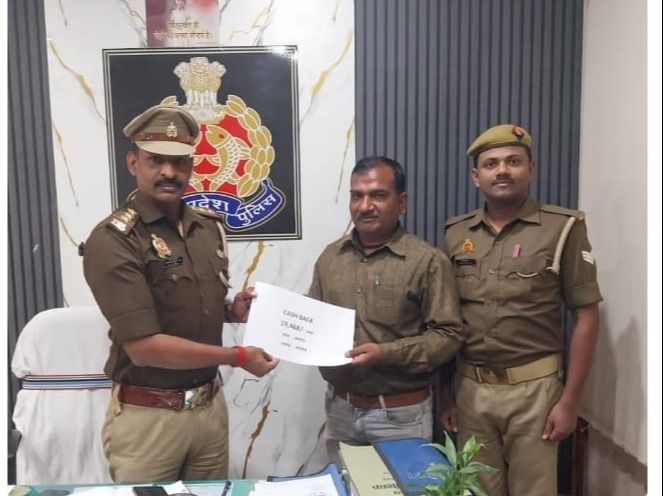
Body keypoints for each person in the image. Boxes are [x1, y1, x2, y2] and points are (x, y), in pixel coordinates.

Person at [82, 104, 278, 482]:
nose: (169, 172)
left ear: (191, 165)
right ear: (133, 163)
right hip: (149, 421)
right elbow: (144, 347)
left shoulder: (206, 228)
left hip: (209, 410)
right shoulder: (115, 239)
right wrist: (237, 356)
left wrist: (231, 311)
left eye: (179, 162)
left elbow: (183, 303)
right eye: (156, 160)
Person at [440, 124, 602, 496]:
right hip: (471, 389)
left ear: (532, 169)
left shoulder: (563, 228)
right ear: (475, 176)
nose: (502, 170)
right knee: (474, 490)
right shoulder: (456, 233)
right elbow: (447, 318)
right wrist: (447, 395)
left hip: (535, 392)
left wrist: (570, 401)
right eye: (491, 164)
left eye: (513, 161)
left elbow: (587, 316)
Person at [307, 156, 464, 461]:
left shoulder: (427, 261)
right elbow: (312, 318)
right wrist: (273, 317)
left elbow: (449, 336)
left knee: (404, 486)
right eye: (357, 196)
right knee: (345, 484)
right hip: (340, 410)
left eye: (378, 195)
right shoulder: (330, 257)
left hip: (401, 415)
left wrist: (384, 353)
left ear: (402, 202)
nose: (365, 206)